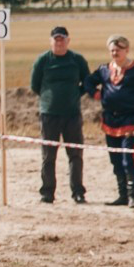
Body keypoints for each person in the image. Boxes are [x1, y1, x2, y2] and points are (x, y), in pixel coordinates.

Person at [84, 35, 134, 207]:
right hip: (110, 121)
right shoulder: (104, 70)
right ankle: (122, 195)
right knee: (115, 159)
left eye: (119, 49)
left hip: (131, 121)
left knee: (127, 159)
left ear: (126, 50)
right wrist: (95, 93)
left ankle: (133, 196)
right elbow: (88, 81)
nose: (115, 53)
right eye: (112, 50)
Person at [30, 25, 90, 203]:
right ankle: (47, 192)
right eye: (56, 40)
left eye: (62, 39)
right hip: (49, 115)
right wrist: (50, 98)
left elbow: (86, 82)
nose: (59, 43)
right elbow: (35, 84)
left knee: (75, 154)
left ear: (68, 41)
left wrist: (73, 95)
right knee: (48, 156)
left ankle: (78, 192)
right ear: (51, 42)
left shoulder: (77, 60)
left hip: (72, 114)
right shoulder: (43, 60)